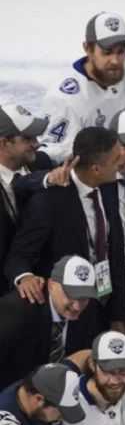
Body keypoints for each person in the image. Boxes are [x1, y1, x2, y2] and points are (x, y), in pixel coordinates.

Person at [4, 126, 125, 339]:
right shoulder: (49, 202)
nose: (122, 162)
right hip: (67, 314)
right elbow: (18, 257)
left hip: (103, 307)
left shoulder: (109, 188)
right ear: (96, 168)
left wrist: (118, 317)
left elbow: (115, 255)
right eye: (117, 159)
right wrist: (24, 277)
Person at [37, 12, 125, 165]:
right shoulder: (66, 101)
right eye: (106, 52)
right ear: (87, 48)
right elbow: (50, 156)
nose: (115, 60)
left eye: (120, 51)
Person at [0, 255, 96, 389]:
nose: (77, 306)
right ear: (51, 286)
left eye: (84, 298)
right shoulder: (15, 313)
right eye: (71, 295)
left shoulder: (87, 310)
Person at [0, 104, 49, 298]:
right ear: (4, 144)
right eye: (27, 139)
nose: (36, 143)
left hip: (47, 288)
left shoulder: (43, 163)